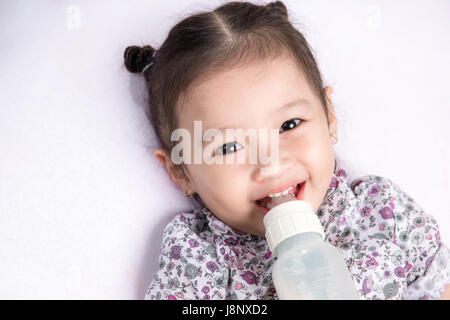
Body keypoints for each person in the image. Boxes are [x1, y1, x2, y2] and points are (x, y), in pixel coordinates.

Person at [123, 1, 450, 299]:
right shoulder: (199, 257)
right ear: (181, 171)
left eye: (290, 125)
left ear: (329, 116)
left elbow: (438, 286)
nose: (271, 163)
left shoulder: (382, 213)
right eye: (229, 146)